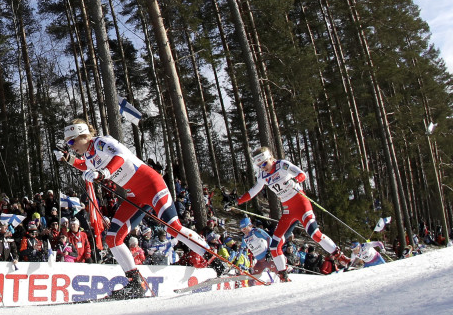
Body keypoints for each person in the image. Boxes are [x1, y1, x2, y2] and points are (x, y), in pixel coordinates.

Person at [63, 119, 212, 300]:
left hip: (152, 185)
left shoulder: (101, 142)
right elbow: (84, 165)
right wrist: (67, 158)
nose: (71, 147)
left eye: (72, 142)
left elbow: (120, 157)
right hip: (135, 196)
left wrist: (103, 174)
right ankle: (135, 283)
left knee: (173, 227)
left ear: (84, 136)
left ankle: (214, 259)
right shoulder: (88, 155)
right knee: (113, 238)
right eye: (68, 144)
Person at [237, 147, 349, 281]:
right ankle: (283, 275)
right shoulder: (262, 176)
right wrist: (237, 201)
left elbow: (302, 174)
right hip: (288, 211)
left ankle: (341, 258)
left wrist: (296, 181)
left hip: (301, 204)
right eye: (259, 165)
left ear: (271, 158)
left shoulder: (282, 165)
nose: (263, 167)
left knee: (314, 233)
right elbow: (253, 192)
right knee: (274, 246)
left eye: (265, 163)